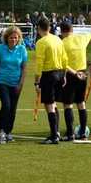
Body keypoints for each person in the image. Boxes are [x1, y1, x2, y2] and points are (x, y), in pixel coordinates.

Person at [34, 17, 67, 145]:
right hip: (59, 73)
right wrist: (64, 75)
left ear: (38, 29)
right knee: (54, 103)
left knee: (48, 104)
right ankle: (56, 132)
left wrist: (37, 81)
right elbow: (64, 57)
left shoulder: (41, 42)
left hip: (49, 74)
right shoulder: (58, 39)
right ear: (50, 28)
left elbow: (39, 62)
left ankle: (54, 136)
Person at [0, 26, 28, 143]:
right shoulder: (0, 49)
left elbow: (24, 68)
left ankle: (9, 131)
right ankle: (1, 130)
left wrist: (21, 83)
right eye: (11, 37)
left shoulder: (22, 49)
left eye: (16, 38)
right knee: (6, 106)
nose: (13, 40)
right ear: (7, 37)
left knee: (13, 109)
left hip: (16, 82)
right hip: (3, 81)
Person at [59, 21, 91, 140]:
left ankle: (69, 133)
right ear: (72, 30)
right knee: (81, 103)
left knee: (68, 104)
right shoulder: (82, 38)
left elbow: (63, 63)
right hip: (83, 73)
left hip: (70, 74)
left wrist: (73, 73)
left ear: (61, 31)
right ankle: (83, 132)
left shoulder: (61, 43)